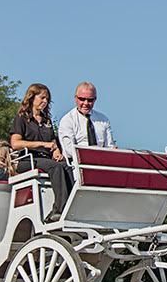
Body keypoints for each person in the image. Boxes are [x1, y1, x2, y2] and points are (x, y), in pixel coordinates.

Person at [50, 81, 117, 220]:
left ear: (95, 100)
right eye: (82, 99)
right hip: (78, 168)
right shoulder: (67, 120)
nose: (86, 103)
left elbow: (109, 146)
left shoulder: (103, 120)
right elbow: (69, 150)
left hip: (102, 167)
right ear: (75, 98)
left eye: (90, 100)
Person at [10, 83, 64, 171]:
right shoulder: (22, 118)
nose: (45, 101)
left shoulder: (47, 120)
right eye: (42, 98)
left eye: (47, 99)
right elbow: (15, 144)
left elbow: (53, 142)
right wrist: (42, 144)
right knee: (55, 167)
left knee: (67, 167)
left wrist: (56, 151)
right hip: (28, 159)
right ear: (32, 97)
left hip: (47, 158)